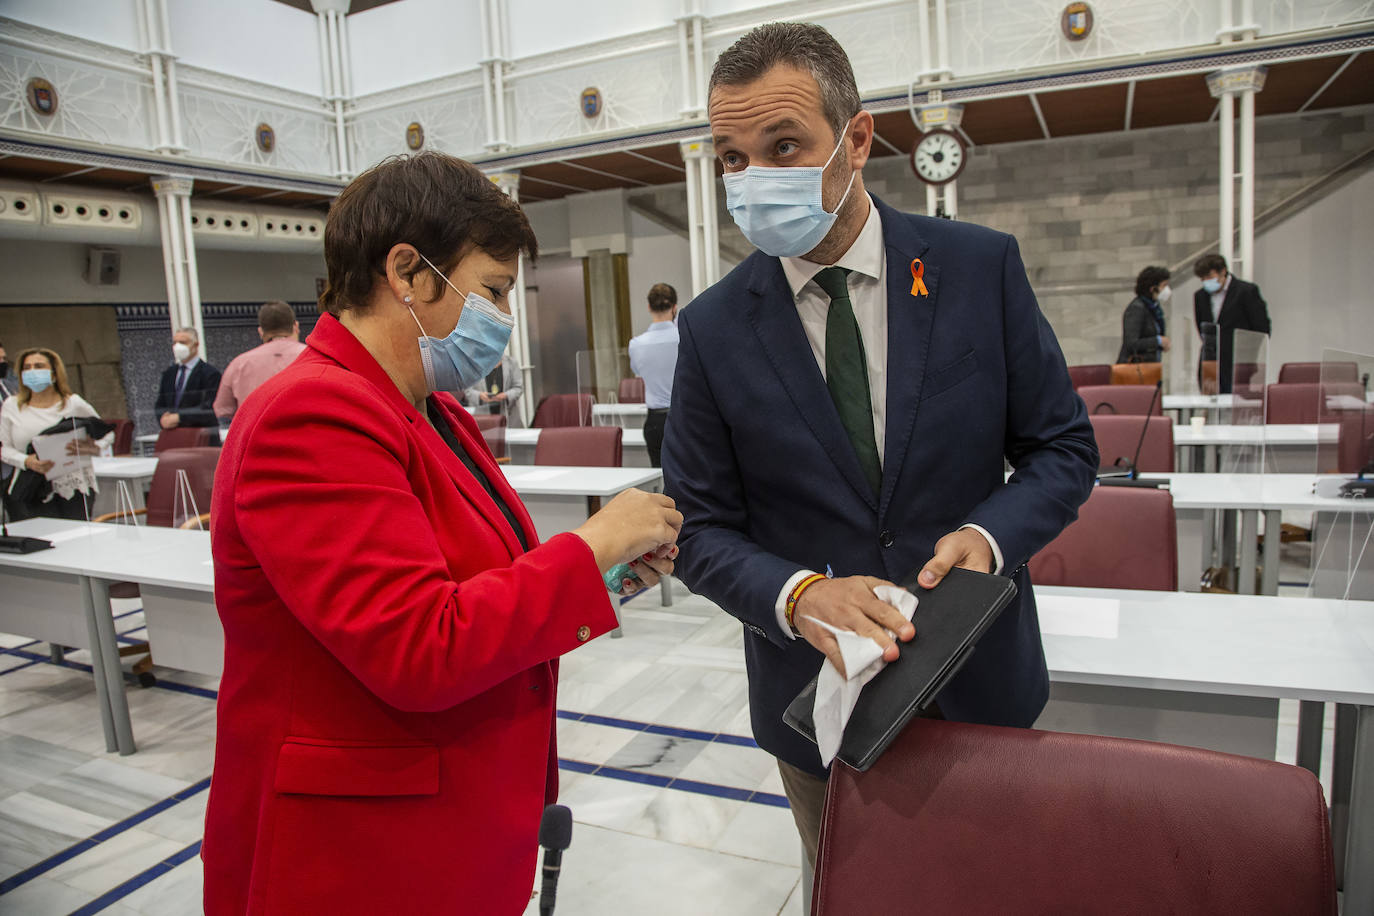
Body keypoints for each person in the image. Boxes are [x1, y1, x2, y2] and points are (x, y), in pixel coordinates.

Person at [661, 22, 1097, 896]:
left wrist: (988, 533)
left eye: (783, 146)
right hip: (818, 704)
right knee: (852, 894)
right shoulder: (712, 330)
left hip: (979, 676)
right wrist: (799, 594)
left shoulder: (978, 269)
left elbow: (1062, 447)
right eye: (731, 159)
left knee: (992, 891)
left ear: (857, 138)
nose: (753, 180)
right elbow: (701, 529)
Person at [202, 152, 682, 915]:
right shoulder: (313, 414)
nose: (504, 316)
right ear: (407, 272)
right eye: (491, 290)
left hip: (449, 820)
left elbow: (480, 589)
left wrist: (610, 574)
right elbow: (418, 645)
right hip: (360, 855)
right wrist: (590, 543)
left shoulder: (433, 411)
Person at [0, 347, 111, 520]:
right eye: (26, 368)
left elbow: (106, 433)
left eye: (38, 366)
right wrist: (26, 461)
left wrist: (92, 447)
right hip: (31, 488)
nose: (32, 372)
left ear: (53, 373)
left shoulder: (73, 403)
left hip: (73, 487)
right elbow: (4, 449)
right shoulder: (11, 406)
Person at [212, 301, 306, 419]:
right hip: (307, 434)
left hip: (255, 434)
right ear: (296, 326)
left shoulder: (239, 364)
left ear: (261, 332)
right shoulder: (317, 357)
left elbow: (222, 409)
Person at [1192, 253, 1270, 394]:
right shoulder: (1200, 296)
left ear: (1223, 272)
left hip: (1239, 362)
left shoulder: (1246, 291)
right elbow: (1202, 328)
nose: (1206, 282)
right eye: (1202, 279)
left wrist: (1249, 354)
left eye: (1209, 277)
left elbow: (1261, 328)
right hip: (1211, 362)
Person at [628, 282, 679, 467]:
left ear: (649, 307)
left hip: (655, 421)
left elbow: (638, 372)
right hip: (683, 417)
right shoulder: (684, 337)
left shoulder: (636, 344)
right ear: (674, 307)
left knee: (659, 475)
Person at [155, 327, 221, 430]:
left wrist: (180, 417)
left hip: (200, 433)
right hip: (174, 433)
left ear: (196, 345)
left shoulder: (210, 374)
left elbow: (209, 407)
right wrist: (163, 418)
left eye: (183, 342)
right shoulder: (169, 373)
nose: (177, 346)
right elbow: (160, 403)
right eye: (175, 342)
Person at [1117, 265, 1171, 365]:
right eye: (1164, 285)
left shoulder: (1154, 308)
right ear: (1152, 288)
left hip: (1151, 366)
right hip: (1135, 369)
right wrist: (1158, 341)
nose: (1167, 289)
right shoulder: (1137, 308)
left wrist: (1162, 344)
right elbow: (1131, 343)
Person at [463, 350, 523, 421]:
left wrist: (506, 395)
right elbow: (467, 390)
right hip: (483, 417)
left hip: (509, 416)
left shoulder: (511, 362)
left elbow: (518, 388)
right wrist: (480, 395)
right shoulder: (474, 364)